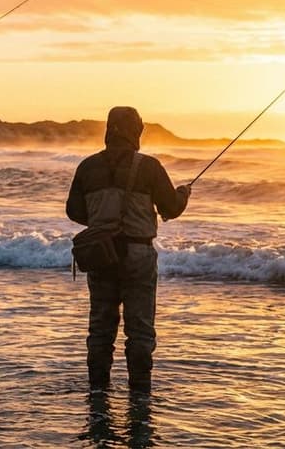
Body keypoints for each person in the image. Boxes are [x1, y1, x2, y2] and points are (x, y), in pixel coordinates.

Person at [65, 106, 190, 393]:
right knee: (140, 332)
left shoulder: (87, 167)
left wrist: (101, 221)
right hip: (138, 256)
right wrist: (184, 193)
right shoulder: (149, 167)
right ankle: (140, 397)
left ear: (109, 130)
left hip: (100, 254)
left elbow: (73, 211)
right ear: (136, 131)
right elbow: (171, 207)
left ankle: (98, 393)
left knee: (100, 330)